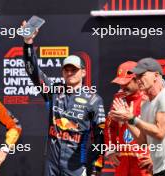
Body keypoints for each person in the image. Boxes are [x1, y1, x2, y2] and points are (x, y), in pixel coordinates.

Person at [22, 22, 105, 176]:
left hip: (76, 167)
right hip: (51, 166)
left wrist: (96, 170)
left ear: (83, 72)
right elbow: (32, 71)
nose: (70, 73)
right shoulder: (54, 91)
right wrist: (28, 43)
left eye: (74, 69)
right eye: (66, 69)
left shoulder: (94, 100)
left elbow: (100, 139)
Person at [109, 58, 165, 176]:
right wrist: (127, 121)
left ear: (156, 76)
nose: (123, 86)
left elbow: (164, 132)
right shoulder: (143, 104)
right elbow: (143, 141)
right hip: (148, 167)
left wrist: (131, 118)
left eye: (127, 82)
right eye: (137, 77)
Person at [104, 61, 152, 176]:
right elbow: (110, 126)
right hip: (123, 162)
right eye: (120, 83)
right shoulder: (119, 98)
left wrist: (159, 156)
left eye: (126, 83)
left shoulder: (152, 98)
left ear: (138, 79)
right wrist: (111, 149)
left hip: (144, 163)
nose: (122, 86)